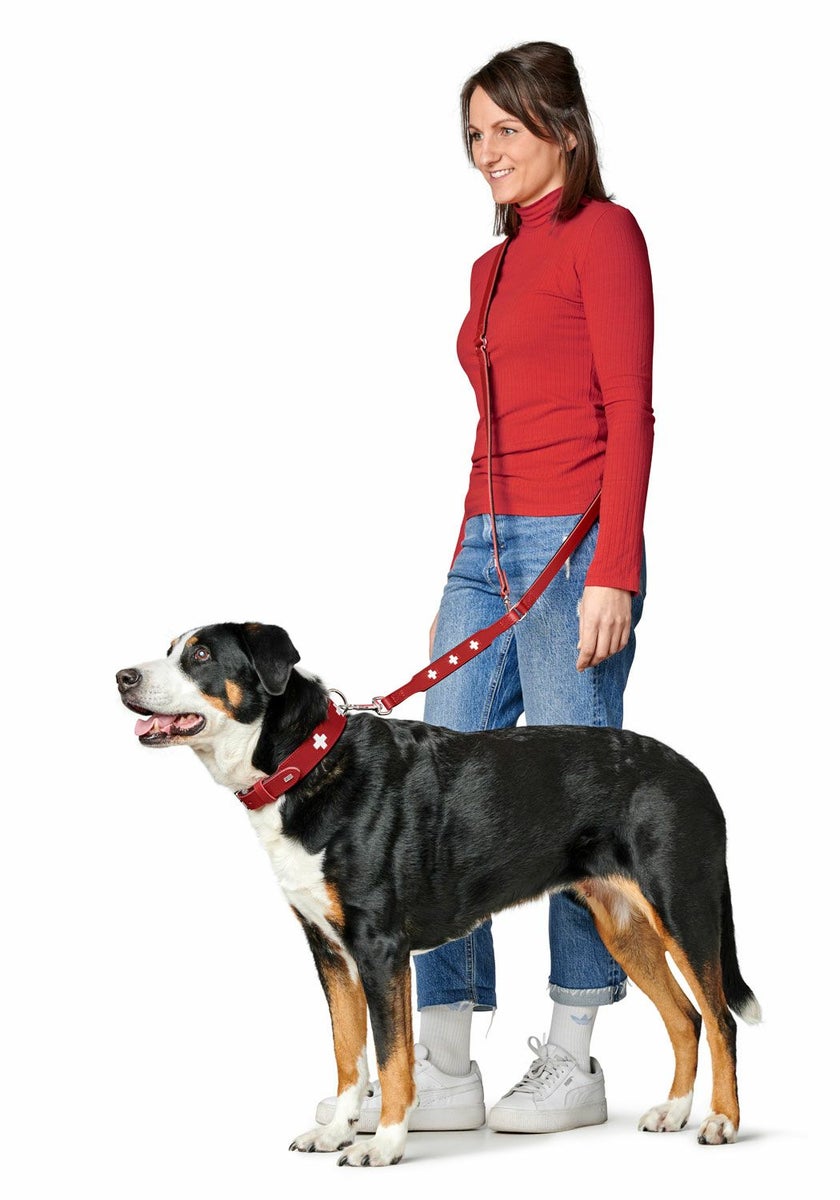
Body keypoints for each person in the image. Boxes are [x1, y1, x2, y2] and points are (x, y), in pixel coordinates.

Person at [317, 40, 654, 1136]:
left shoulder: (605, 234)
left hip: (575, 548)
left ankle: (573, 1057)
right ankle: (447, 1059)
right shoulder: (490, 266)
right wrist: (462, 570)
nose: (487, 152)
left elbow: (630, 410)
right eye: (474, 134)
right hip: (488, 548)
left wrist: (614, 565)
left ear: (564, 128)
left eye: (507, 129)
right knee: (432, 793)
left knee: (572, 800)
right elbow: (492, 434)